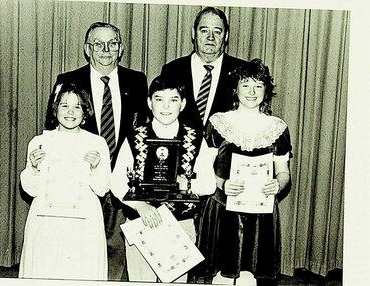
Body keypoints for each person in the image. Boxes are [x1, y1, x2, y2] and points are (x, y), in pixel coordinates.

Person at [44, 22, 149, 280]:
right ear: (87, 49)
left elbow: (143, 132)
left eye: (112, 43)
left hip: (121, 179)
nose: (105, 50)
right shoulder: (67, 81)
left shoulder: (137, 81)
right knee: (77, 249)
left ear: (121, 48)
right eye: (98, 44)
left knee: (116, 248)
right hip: (79, 185)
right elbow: (51, 129)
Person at [111, 75, 216, 283]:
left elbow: (209, 184)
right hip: (141, 222)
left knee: (176, 281)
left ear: (183, 104)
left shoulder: (195, 138)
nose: (166, 106)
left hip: (181, 224)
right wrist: (141, 206)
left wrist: (187, 184)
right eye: (159, 99)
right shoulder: (134, 137)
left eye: (173, 100)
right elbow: (116, 182)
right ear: (149, 103)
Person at [197, 59, 292, 286]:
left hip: (261, 215)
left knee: (252, 277)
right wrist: (221, 183)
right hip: (222, 210)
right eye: (246, 84)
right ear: (235, 88)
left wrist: (278, 185)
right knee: (221, 276)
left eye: (258, 85)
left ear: (266, 91)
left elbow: (284, 173)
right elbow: (203, 170)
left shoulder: (277, 128)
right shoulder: (218, 123)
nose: (252, 91)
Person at [19, 83, 111, 280]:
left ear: (85, 112)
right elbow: (30, 189)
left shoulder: (97, 143)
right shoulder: (39, 142)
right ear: (55, 109)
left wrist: (95, 168)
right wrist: (34, 168)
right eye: (64, 106)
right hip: (46, 220)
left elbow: (103, 188)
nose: (70, 112)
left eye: (77, 106)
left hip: (84, 222)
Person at [160, 7, 246, 134]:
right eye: (204, 30)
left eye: (217, 32)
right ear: (194, 34)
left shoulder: (241, 71)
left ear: (226, 36)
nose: (210, 37)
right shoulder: (172, 70)